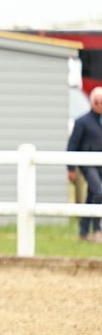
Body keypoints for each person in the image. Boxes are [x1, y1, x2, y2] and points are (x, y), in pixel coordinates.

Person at [67, 86, 102, 242]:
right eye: (97, 101)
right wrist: (71, 168)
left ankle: (83, 232)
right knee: (99, 192)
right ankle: (97, 229)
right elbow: (72, 145)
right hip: (88, 164)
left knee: (92, 195)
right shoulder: (82, 122)